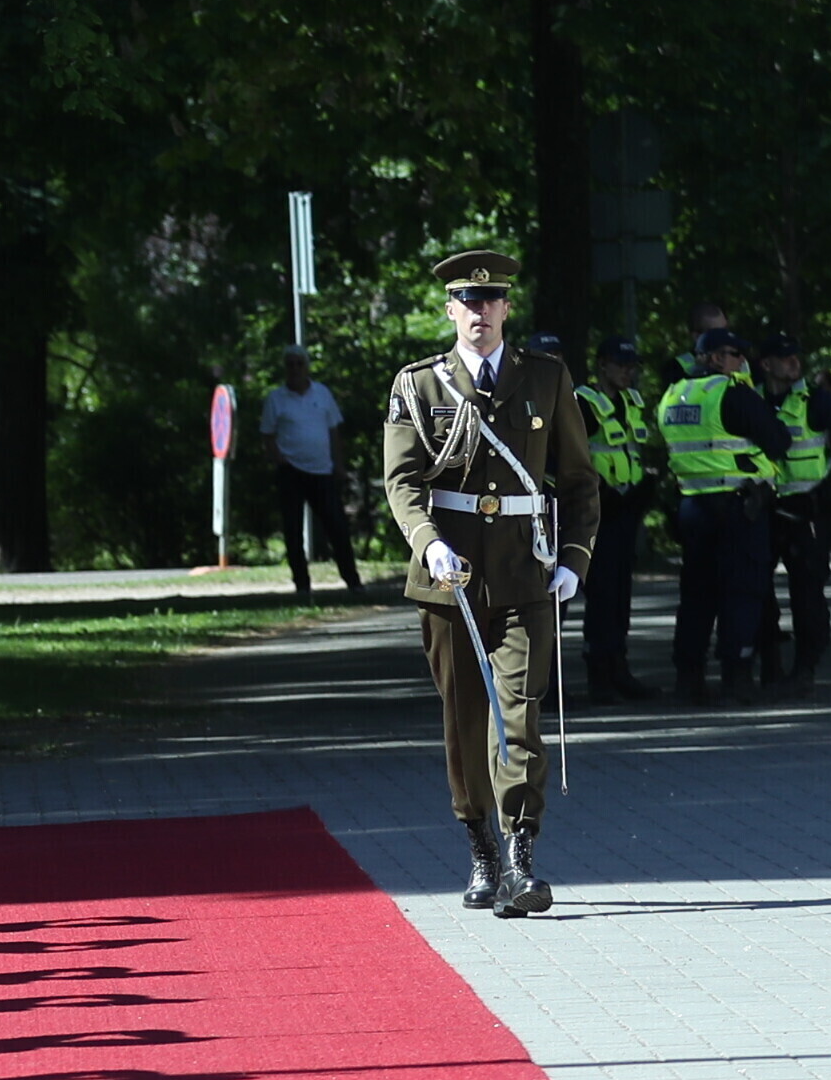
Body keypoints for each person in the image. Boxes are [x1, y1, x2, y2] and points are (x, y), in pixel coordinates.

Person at [378, 250, 595, 917]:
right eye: (468, 302)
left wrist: (574, 559)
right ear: (451, 310)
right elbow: (401, 481)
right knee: (466, 720)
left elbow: (580, 480)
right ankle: (480, 850)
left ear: (506, 308)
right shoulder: (420, 385)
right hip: (451, 576)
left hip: (525, 573)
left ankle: (521, 857)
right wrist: (428, 542)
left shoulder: (546, 378)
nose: (480, 311)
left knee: (520, 714)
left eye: (491, 299)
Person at [655, 328, 788, 702]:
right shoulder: (731, 393)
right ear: (715, 358)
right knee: (741, 590)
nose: (743, 362)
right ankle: (736, 673)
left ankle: (689, 677)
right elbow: (779, 440)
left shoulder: (672, 395)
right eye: (736, 354)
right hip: (737, 507)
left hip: (693, 506)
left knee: (697, 594)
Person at [755, 336, 831, 690]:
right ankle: (769, 664)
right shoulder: (750, 398)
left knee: (807, 593)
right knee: (757, 590)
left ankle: (804, 668)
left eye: (796, 357)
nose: (794, 363)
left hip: (807, 509)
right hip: (764, 507)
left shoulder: (814, 400)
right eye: (785, 357)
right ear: (766, 364)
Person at [572, 335, 658, 700]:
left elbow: (635, 450)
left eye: (632, 366)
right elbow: (571, 455)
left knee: (620, 594)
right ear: (602, 366)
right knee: (603, 594)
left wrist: (646, 486)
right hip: (597, 511)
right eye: (621, 365)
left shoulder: (631, 402)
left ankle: (618, 666)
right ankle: (600, 673)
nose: (628, 372)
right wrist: (598, 491)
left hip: (627, 508)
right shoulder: (584, 403)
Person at [259, 345, 359, 594]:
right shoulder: (276, 398)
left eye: (299, 364)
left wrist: (339, 465)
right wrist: (279, 459)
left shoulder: (322, 394)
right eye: (290, 364)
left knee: (337, 526)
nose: (295, 369)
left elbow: (334, 431)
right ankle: (302, 585)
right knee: (293, 531)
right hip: (290, 471)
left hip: (322, 471)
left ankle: (353, 582)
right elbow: (267, 434)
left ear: (306, 367)